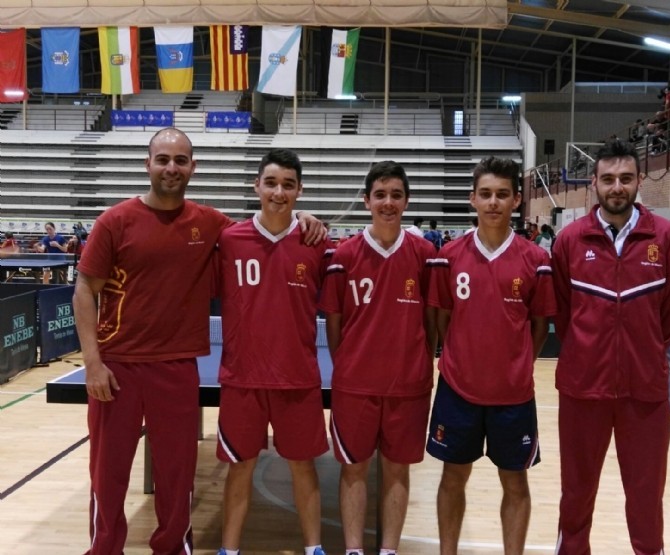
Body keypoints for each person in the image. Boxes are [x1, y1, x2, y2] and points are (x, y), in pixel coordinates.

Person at [72, 127, 324, 555]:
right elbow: (84, 290)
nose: (172, 167)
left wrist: (304, 218)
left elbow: (267, 226)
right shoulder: (114, 221)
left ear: (193, 167)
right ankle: (103, 549)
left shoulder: (211, 225)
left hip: (177, 367)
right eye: (163, 159)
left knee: (177, 475)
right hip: (118, 368)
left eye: (180, 160)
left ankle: (172, 549)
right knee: (109, 474)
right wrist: (92, 363)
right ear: (148, 164)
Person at [550, 138, 670, 555]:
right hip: (582, 390)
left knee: (646, 500)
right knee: (576, 496)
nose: (617, 187)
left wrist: (640, 355)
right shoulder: (570, 240)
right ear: (594, 183)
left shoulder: (665, 238)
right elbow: (563, 315)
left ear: (639, 181)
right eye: (608, 179)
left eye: (625, 179)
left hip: (644, 393)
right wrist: (589, 358)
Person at [426, 156, 556, 555]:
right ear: (473, 199)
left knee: (515, 482)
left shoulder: (536, 260)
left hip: (513, 396)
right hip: (457, 390)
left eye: (502, 194)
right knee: (453, 477)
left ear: (517, 199)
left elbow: (538, 328)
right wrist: (464, 358)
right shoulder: (449, 255)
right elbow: (442, 319)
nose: (493, 202)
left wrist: (515, 363)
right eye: (485, 194)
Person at [215, 149, 333, 555]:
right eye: (271, 183)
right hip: (242, 377)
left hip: (297, 378)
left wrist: (310, 219)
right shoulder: (229, 240)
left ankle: (313, 548)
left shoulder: (316, 241)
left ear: (299, 190)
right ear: (257, 186)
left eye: (287, 185)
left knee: (304, 467)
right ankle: (228, 549)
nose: (278, 192)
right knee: (240, 467)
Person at [319, 160, 437, 555]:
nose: (388, 203)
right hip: (356, 384)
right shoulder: (344, 255)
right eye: (380, 195)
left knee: (397, 469)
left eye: (396, 195)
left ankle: (388, 550)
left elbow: (432, 319)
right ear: (366, 200)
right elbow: (334, 322)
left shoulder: (424, 253)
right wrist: (349, 364)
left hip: (409, 384)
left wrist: (421, 362)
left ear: (406, 201)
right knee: (353, 468)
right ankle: (354, 550)